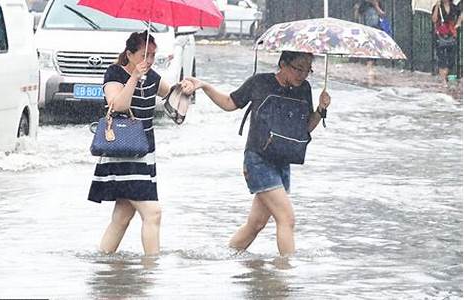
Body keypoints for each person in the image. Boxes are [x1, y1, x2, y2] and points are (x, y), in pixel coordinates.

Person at [186, 51, 331, 257]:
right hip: (258, 160)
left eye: (308, 70)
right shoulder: (260, 82)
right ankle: (286, 273)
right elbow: (229, 103)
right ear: (282, 64)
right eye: (298, 68)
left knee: (256, 224)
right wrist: (205, 86)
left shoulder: (304, 89)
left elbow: (306, 127)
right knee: (287, 218)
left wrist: (321, 109)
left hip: (283, 161)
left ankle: (225, 257)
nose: (302, 75)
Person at [87, 31, 194, 255]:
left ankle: (103, 263)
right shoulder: (115, 73)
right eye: (145, 55)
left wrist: (186, 88)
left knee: (123, 215)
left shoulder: (152, 77)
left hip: (145, 151)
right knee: (152, 212)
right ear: (129, 54)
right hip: (123, 149)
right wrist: (134, 77)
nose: (149, 60)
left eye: (153, 55)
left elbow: (172, 96)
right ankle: (151, 269)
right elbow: (117, 106)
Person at [353, 0, 386, 85]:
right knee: (369, 48)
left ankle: (371, 67)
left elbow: (382, 15)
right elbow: (357, 16)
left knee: (375, 49)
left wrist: (376, 5)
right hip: (366, 30)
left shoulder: (378, 3)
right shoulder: (363, 5)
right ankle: (370, 68)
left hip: (376, 29)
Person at [431, 0, 462, 87]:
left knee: (451, 59)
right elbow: (434, 20)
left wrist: (458, 22)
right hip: (440, 36)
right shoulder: (437, 7)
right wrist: (437, 7)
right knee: (442, 59)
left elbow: (460, 14)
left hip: (451, 35)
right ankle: (443, 80)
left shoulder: (454, 7)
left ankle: (446, 76)